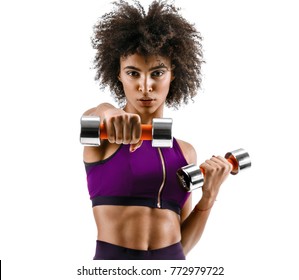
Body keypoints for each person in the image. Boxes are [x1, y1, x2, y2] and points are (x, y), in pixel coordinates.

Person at [82, 0, 232, 260]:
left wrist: (208, 197)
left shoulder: (185, 152)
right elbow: (89, 117)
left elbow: (182, 245)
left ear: (173, 73)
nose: (145, 86)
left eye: (157, 72)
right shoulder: (106, 135)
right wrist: (107, 110)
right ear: (118, 74)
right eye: (133, 73)